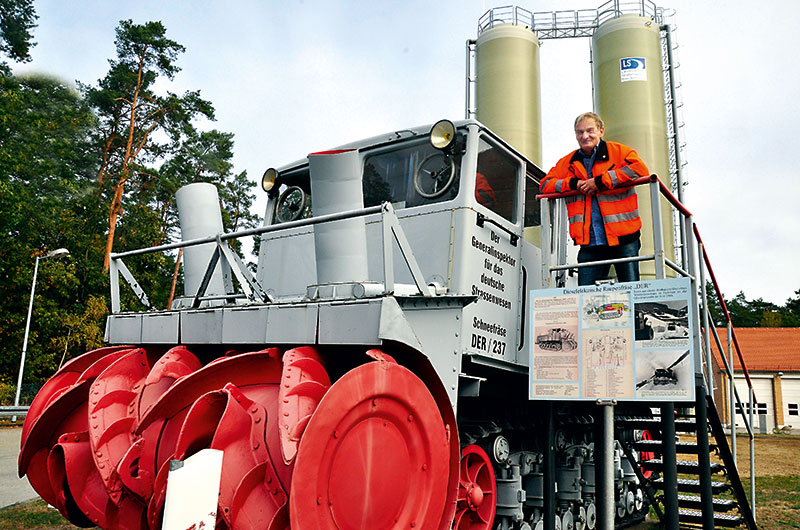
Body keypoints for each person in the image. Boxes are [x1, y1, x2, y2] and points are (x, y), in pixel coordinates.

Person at [539, 112, 650, 285]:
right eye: (580, 132)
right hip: (590, 242)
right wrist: (574, 184)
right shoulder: (567, 162)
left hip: (624, 238)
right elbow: (545, 185)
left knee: (631, 291)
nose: (585, 136)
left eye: (590, 130)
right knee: (585, 297)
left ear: (601, 131)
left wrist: (601, 181)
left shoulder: (619, 152)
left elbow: (640, 170)